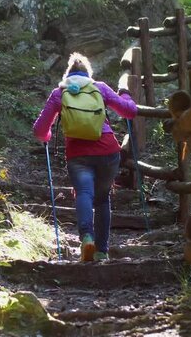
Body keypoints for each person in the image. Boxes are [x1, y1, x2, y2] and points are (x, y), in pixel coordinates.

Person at [33, 52, 137, 262]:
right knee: (102, 199)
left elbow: (40, 130)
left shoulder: (59, 93)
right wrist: (125, 95)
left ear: (67, 74)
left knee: (84, 193)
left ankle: (86, 237)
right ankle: (102, 252)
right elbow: (130, 111)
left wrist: (48, 135)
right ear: (89, 74)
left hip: (78, 154)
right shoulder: (99, 87)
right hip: (108, 150)